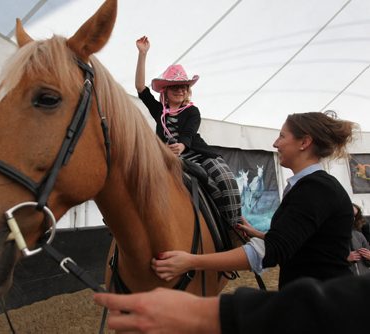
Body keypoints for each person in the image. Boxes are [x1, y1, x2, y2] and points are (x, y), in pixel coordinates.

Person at [151, 112, 358, 289]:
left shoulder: (316, 189)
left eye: (282, 136)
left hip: (323, 307)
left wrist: (190, 261)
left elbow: (269, 253)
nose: (275, 143)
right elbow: (306, 242)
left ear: (304, 142)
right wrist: (259, 234)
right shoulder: (308, 186)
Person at [135, 35, 241, 227]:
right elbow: (141, 88)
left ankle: (235, 230)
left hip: (200, 155)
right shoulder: (159, 110)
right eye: (175, 86)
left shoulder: (192, 111)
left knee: (226, 180)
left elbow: (189, 133)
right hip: (171, 159)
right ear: (165, 91)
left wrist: (182, 145)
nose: (180, 90)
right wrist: (142, 54)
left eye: (183, 86)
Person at [93, 273, 370, 333]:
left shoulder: (192, 116)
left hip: (191, 152)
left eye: (283, 135)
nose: (276, 142)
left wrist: (183, 145)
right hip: (161, 150)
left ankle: (227, 230)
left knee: (220, 178)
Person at [348, 203, 370, 275]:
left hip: (363, 281)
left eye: (355, 216)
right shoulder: (329, 237)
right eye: (350, 214)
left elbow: (368, 263)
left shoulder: (359, 235)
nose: (353, 218)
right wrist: (345, 259)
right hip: (345, 282)